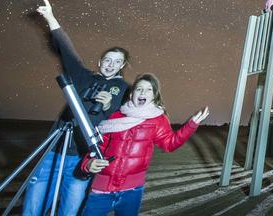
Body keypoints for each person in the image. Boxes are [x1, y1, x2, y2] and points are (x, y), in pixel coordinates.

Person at [23, 0, 130, 216]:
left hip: (82, 156)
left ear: (122, 66)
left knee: (70, 210)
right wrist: (51, 18)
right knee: (34, 206)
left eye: (117, 61)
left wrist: (109, 106)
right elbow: (66, 50)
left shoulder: (125, 89)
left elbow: (128, 118)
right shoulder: (83, 77)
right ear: (100, 62)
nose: (111, 64)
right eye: (107, 59)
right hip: (53, 151)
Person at [81, 73, 210, 215]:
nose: (143, 92)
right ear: (131, 95)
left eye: (149, 89)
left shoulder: (158, 120)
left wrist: (191, 125)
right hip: (102, 188)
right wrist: (88, 163)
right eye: (139, 89)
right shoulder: (115, 116)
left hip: (132, 191)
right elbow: (98, 146)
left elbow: (170, 144)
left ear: (154, 96)